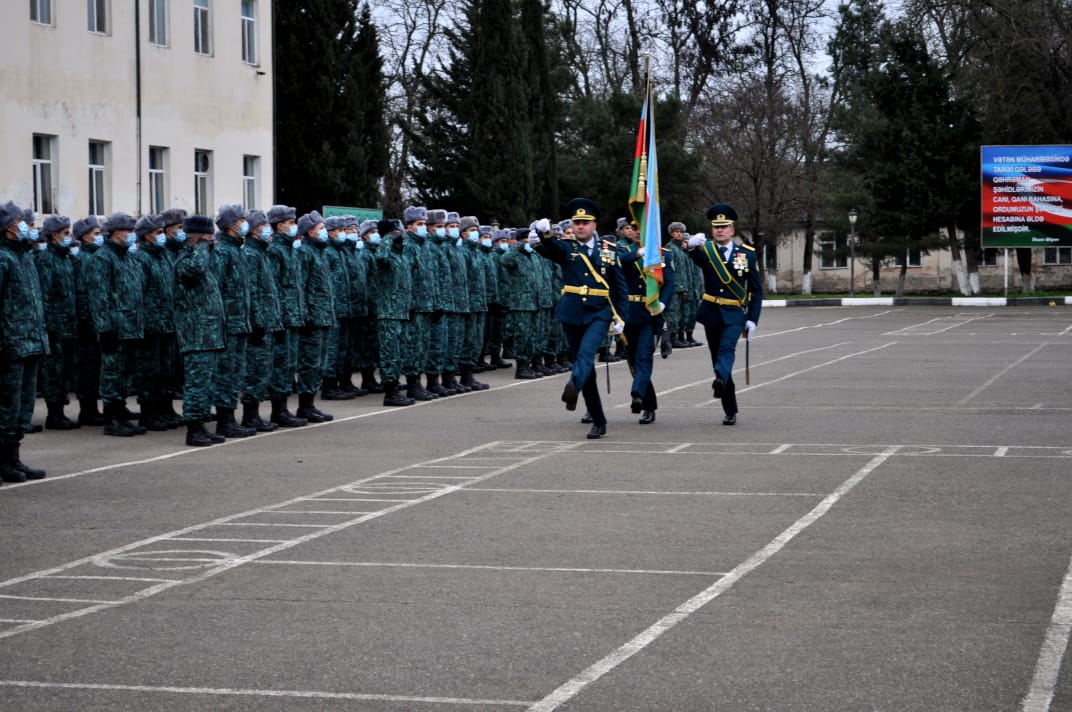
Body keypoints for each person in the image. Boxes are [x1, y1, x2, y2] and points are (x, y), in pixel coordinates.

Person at [532, 198, 629, 439]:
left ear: (594, 224)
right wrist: (545, 233)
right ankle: (598, 419)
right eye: (577, 223)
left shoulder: (609, 250)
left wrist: (621, 316)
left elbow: (619, 286)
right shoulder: (567, 247)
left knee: (586, 355)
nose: (580, 227)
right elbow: (552, 248)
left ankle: (573, 384)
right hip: (571, 312)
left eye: (585, 222)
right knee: (586, 368)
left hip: (599, 312)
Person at [686, 203, 762, 425]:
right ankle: (729, 408)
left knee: (726, 350)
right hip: (711, 313)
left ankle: (720, 377)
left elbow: (756, 290)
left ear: (732, 229)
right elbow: (695, 258)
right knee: (717, 360)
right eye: (716, 226)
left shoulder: (746, 254)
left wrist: (752, 319)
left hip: (734, 313)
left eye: (724, 226)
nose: (720, 230)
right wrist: (690, 247)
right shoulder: (706, 251)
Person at [0, 201, 49, 482]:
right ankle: (4, 460)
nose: (27, 226)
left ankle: (14, 458)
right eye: (21, 221)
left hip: (31, 342)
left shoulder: (25, 257)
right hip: (11, 344)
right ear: (8, 226)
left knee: (23, 406)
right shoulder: (3, 258)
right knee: (7, 404)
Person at [86, 212, 147, 436]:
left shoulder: (128, 257)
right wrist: (105, 328)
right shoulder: (103, 258)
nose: (132, 235)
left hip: (131, 326)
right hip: (115, 328)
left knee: (125, 373)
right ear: (115, 233)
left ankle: (120, 413)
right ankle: (112, 418)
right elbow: (98, 296)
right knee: (112, 373)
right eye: (128, 231)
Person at [173, 215, 227, 446]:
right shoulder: (185, 260)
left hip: (210, 333)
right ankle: (193, 429)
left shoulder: (202, 258)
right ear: (197, 237)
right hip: (195, 333)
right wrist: (202, 247)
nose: (211, 240)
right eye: (207, 237)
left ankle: (202, 425)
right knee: (196, 382)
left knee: (207, 382)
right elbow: (195, 268)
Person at [617, 219, 676, 425]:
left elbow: (669, 283)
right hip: (627, 314)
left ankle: (637, 394)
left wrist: (662, 304)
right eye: (634, 228)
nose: (636, 232)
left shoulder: (663, 254)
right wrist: (636, 254)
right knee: (633, 362)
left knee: (644, 357)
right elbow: (615, 266)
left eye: (641, 228)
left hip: (649, 314)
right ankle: (647, 402)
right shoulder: (622, 251)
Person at [36, 214, 80, 430]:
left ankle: (60, 412)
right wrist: (46, 326)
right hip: (54, 326)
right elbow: (43, 294)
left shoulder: (66, 258)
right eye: (65, 233)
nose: (68, 237)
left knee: (64, 370)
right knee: (53, 371)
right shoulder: (46, 260)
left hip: (68, 325)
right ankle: (54, 414)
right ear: (54, 236)